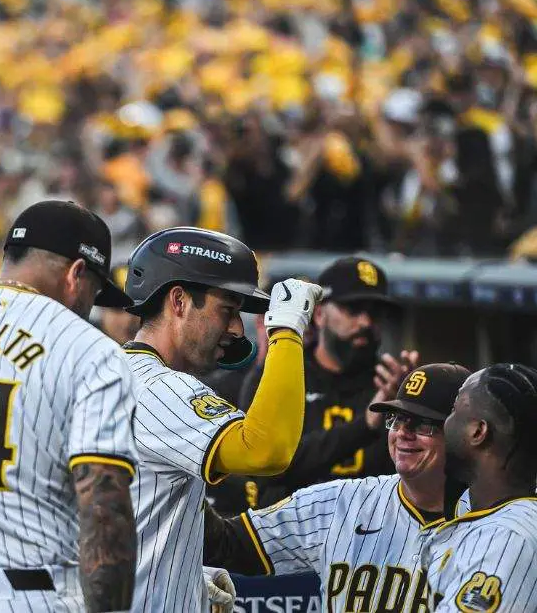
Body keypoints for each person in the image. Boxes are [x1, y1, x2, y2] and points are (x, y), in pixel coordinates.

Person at [0, 200, 139, 612]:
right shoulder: (92, 351)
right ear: (77, 273)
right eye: (96, 292)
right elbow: (104, 513)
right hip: (33, 594)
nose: (91, 305)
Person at [118, 226, 322, 612]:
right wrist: (287, 331)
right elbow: (266, 450)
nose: (235, 328)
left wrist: (182, 579)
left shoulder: (111, 375)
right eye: (227, 310)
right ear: (178, 301)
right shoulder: (158, 388)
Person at [202, 363, 470, 609]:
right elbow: (227, 543)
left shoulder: (499, 524)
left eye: (422, 423)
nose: (403, 433)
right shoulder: (341, 503)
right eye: (397, 419)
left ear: (461, 434)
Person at [224, 256, 415, 512]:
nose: (365, 323)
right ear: (321, 313)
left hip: (370, 533)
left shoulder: (391, 383)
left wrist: (411, 408)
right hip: (290, 534)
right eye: (353, 309)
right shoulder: (281, 374)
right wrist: (365, 426)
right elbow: (264, 469)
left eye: (375, 313)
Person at [414, 363, 537, 609]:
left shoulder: (507, 536)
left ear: (478, 431)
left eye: (453, 410)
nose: (443, 424)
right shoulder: (483, 512)